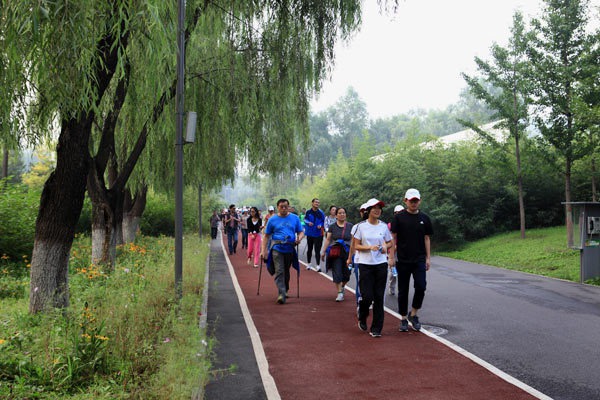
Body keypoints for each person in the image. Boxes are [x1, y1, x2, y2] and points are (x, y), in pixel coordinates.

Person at [390, 188, 433, 332]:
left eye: (416, 200)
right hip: (403, 259)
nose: (414, 203)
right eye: (411, 200)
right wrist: (391, 257)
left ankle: (413, 314)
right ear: (405, 201)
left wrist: (428, 258)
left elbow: (427, 238)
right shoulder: (399, 218)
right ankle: (403, 318)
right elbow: (393, 238)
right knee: (403, 290)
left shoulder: (425, 218)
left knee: (421, 286)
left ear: (420, 200)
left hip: (419, 259)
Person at [352, 198, 394, 338]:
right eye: (374, 208)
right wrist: (369, 247)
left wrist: (384, 247)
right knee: (367, 296)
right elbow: (356, 246)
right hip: (365, 265)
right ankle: (362, 316)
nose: (377, 210)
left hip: (381, 264)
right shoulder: (361, 227)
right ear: (368, 211)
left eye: (379, 208)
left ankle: (376, 328)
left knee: (378, 297)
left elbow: (390, 243)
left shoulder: (383, 226)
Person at [261, 199, 304, 304]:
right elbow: (266, 236)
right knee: (279, 270)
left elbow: (301, 231)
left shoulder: (295, 218)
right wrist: (264, 250)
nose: (284, 209)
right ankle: (281, 293)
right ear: (277, 207)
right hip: (277, 247)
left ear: (288, 207)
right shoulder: (272, 219)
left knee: (286, 270)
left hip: (289, 247)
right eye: (281, 207)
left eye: (286, 206)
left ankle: (285, 289)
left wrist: (299, 238)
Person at [321, 207, 353, 302]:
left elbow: (354, 240)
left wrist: (354, 252)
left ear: (346, 214)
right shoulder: (332, 226)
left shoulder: (351, 226)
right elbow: (328, 239)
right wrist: (323, 251)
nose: (342, 214)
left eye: (343, 213)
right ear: (336, 215)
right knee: (337, 272)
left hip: (347, 252)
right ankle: (339, 293)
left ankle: (342, 286)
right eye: (340, 213)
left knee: (347, 274)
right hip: (336, 252)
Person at [387, 205, 405, 295]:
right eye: (397, 212)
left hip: (403, 250)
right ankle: (391, 287)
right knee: (392, 271)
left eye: (401, 212)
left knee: (403, 270)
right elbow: (388, 239)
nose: (399, 214)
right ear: (394, 214)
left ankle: (402, 289)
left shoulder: (406, 224)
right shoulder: (390, 225)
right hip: (392, 250)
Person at [304, 198, 325, 272]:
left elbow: (323, 221)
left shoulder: (321, 213)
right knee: (309, 249)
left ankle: (318, 265)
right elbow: (305, 219)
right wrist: (308, 222)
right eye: (316, 202)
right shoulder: (308, 212)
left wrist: (320, 225)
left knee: (317, 250)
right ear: (312, 203)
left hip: (318, 233)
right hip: (310, 233)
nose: (317, 204)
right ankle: (309, 263)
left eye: (318, 203)